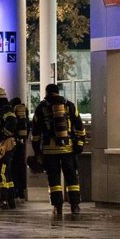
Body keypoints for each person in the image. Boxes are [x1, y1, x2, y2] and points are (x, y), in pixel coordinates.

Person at [31, 83, 86, 216]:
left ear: (46, 92)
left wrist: (37, 151)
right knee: (72, 178)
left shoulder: (41, 108)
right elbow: (80, 127)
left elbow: (35, 133)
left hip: (50, 151)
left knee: (54, 180)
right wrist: (79, 144)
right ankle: (75, 205)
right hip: (68, 149)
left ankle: (57, 207)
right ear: (58, 92)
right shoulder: (69, 105)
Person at [9, 97, 29, 202]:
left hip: (13, 143)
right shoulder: (25, 112)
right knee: (21, 168)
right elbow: (29, 127)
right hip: (22, 144)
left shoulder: (12, 112)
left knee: (13, 168)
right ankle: (22, 192)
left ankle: (15, 191)